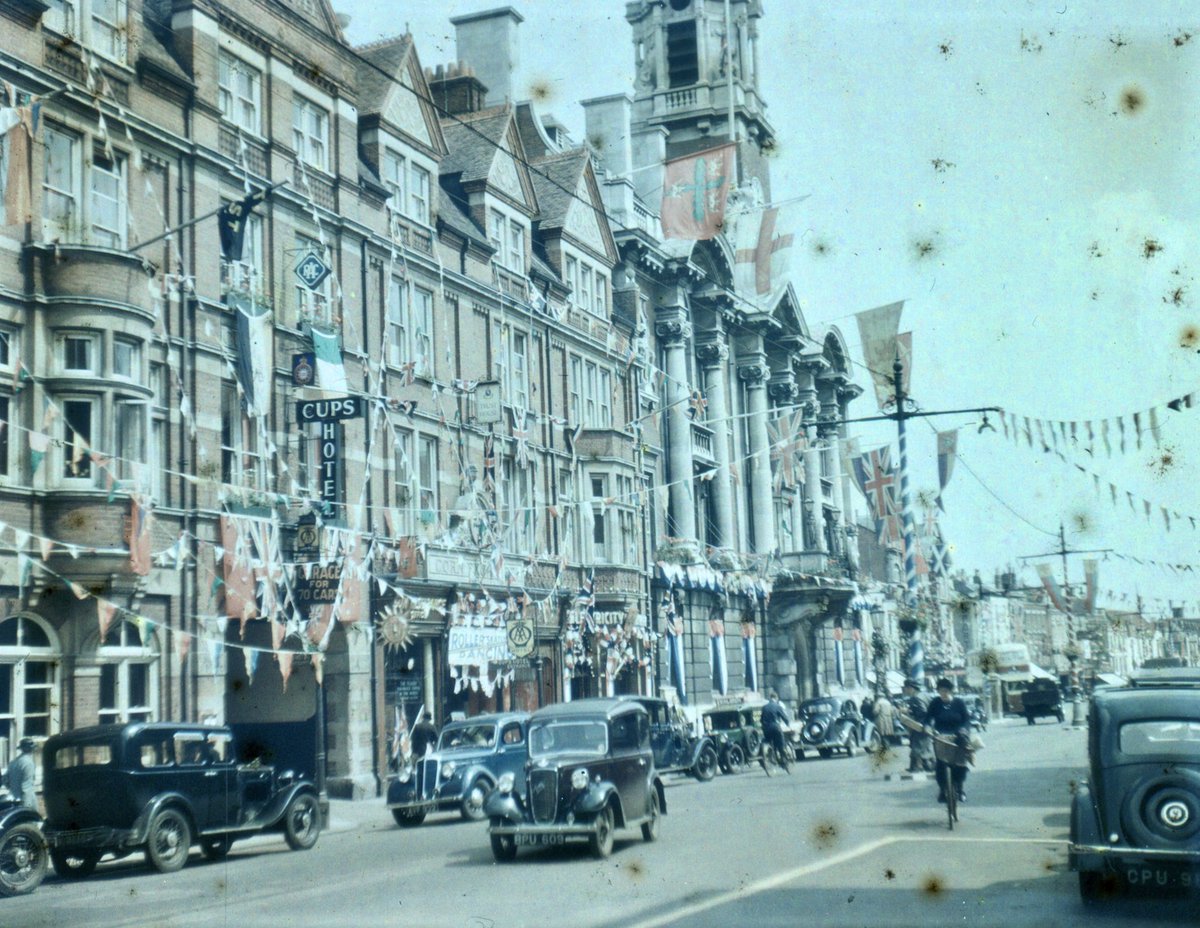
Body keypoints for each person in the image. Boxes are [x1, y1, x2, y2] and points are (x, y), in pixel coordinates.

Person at [922, 677, 972, 803]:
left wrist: (964, 730)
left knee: (960, 764)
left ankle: (960, 789)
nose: (943, 693)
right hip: (940, 737)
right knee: (940, 764)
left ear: (951, 691)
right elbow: (928, 718)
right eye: (940, 691)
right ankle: (943, 790)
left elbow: (966, 720)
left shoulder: (959, 703)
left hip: (957, 736)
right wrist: (927, 726)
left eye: (945, 691)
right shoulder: (935, 703)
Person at [901, 679, 932, 772]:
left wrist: (909, 713)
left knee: (917, 745)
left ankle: (917, 767)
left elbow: (923, 712)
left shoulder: (915, 698)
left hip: (921, 725)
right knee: (925, 746)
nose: (905, 690)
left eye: (905, 688)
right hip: (929, 725)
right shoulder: (925, 694)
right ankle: (927, 765)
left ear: (911, 688)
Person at [759, 690, 792, 774]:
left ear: (770, 698)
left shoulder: (764, 707)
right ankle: (784, 762)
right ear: (776, 698)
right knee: (781, 745)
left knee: (768, 742)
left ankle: (769, 755)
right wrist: (788, 724)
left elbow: (761, 719)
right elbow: (784, 717)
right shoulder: (777, 706)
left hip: (766, 729)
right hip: (775, 728)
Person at [4, 737, 37, 811]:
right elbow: (26, 788)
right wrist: (26, 807)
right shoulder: (28, 763)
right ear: (31, 749)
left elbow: (5, 780)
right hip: (26, 800)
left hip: (13, 799)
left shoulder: (13, 762)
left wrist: (13, 789)